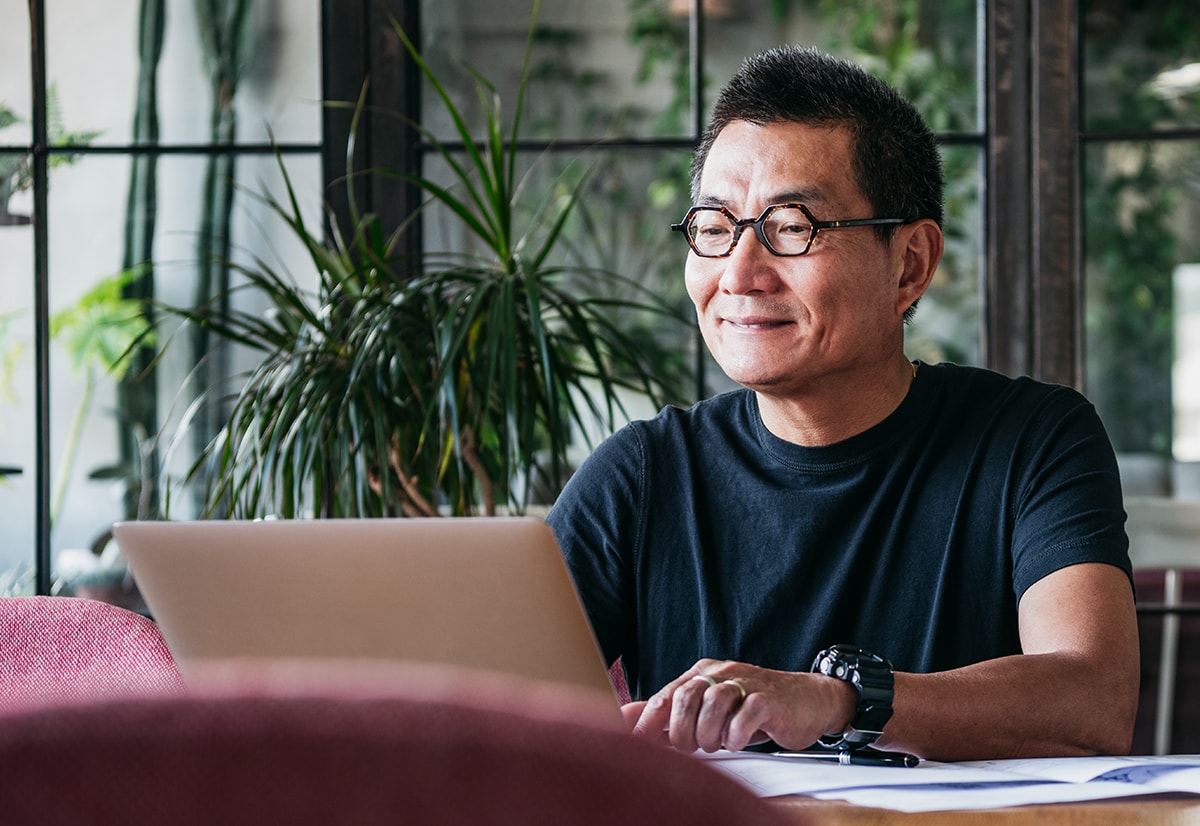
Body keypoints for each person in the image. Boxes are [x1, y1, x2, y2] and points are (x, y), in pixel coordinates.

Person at [545, 45, 1139, 763]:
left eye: (792, 227)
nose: (739, 273)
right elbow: (482, 709)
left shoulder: (1030, 440)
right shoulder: (640, 478)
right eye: (714, 226)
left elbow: (1092, 701)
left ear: (910, 264)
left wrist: (837, 699)